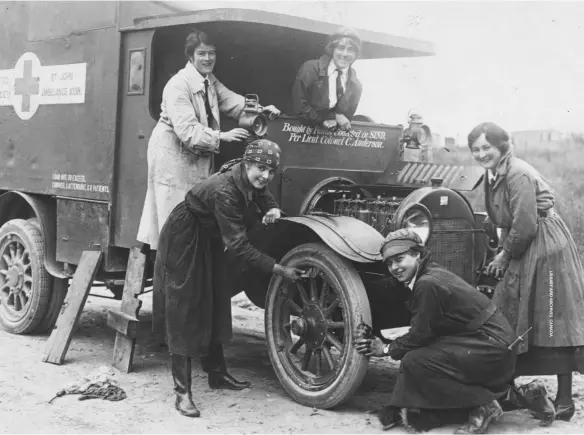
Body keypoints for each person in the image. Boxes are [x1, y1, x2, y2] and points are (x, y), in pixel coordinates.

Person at [154, 139, 303, 417]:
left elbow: (262, 191)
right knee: (185, 306)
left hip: (208, 235)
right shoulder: (225, 190)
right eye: (261, 168)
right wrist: (277, 268)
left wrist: (271, 206)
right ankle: (182, 393)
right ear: (247, 163)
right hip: (185, 236)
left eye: (271, 171)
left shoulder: (247, 175)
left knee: (216, 297)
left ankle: (217, 374)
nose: (266, 176)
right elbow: (239, 246)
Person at [468, 121, 584, 422]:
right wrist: (501, 247)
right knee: (514, 311)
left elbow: (526, 224)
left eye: (487, 148)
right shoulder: (493, 174)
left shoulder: (518, 173)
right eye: (476, 149)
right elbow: (501, 217)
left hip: (546, 246)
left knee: (551, 317)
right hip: (526, 243)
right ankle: (508, 389)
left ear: (502, 146)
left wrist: (505, 255)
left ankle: (563, 401)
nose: (481, 154)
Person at [356, 228, 517, 434]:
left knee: (416, 360)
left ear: (417, 254)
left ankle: (485, 403)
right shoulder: (429, 272)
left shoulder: (426, 283)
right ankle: (511, 397)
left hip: (490, 347)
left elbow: (420, 335)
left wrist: (386, 349)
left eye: (399, 259)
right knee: (423, 356)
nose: (395, 267)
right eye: (389, 263)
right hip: (492, 341)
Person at [137, 29, 281, 250]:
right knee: (175, 216)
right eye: (202, 53)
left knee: (195, 211)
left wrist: (260, 109)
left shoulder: (209, 80)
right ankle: (172, 264)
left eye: (211, 53)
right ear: (190, 57)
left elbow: (231, 100)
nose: (207, 59)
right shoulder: (178, 85)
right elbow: (187, 131)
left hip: (197, 153)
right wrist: (222, 136)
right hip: (174, 156)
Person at [292, 27, 363, 132]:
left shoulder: (356, 85)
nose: (345, 54)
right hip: (298, 132)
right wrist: (328, 118)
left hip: (329, 139)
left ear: (356, 54)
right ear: (332, 49)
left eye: (351, 50)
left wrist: (339, 120)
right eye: (341, 48)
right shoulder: (311, 69)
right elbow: (300, 107)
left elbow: (345, 117)